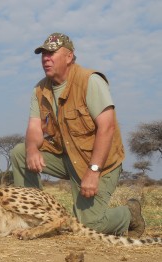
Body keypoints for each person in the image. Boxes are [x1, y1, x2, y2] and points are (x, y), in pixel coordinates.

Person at [10, 32, 145, 238]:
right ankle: (34, 219)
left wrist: (93, 171)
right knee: (19, 152)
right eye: (43, 54)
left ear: (69, 57)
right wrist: (30, 149)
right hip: (67, 158)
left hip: (100, 164)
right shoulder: (40, 89)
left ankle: (129, 214)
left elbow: (107, 128)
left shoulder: (90, 81)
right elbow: (34, 128)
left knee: (87, 224)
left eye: (52, 53)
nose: (46, 58)